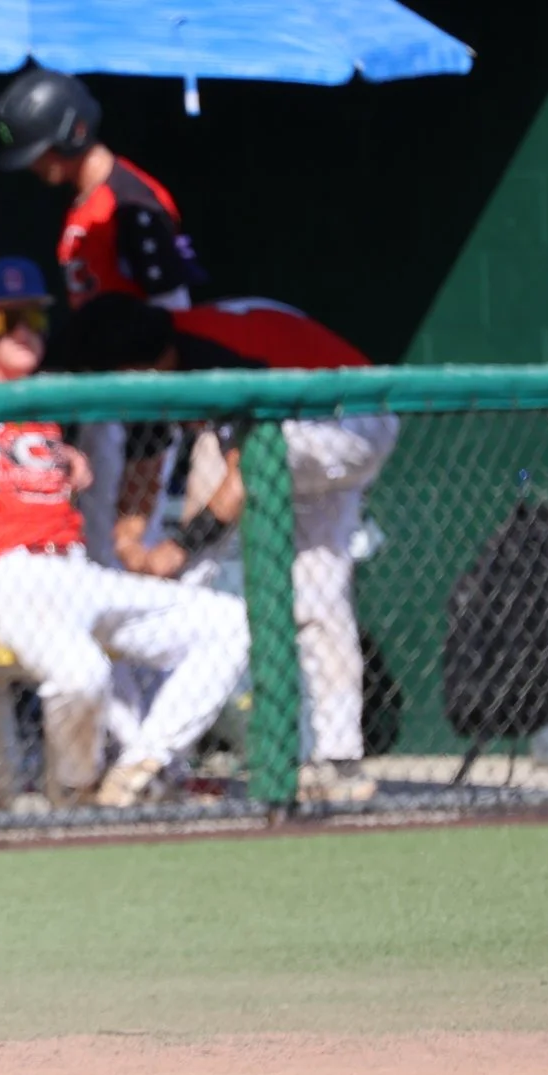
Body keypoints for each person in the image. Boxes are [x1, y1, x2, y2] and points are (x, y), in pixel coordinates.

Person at [0, 258, 247, 808]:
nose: (22, 331)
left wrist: (64, 456)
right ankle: (77, 789)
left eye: (34, 319)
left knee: (227, 622)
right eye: (4, 320)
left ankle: (140, 768)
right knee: (82, 675)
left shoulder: (46, 401)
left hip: (74, 571)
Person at [59, 294, 396, 804]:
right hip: (307, 431)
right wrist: (130, 538)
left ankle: (156, 753)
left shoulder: (210, 351)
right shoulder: (166, 360)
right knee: (319, 594)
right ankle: (337, 759)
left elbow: (246, 468)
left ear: (142, 365)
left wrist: (178, 547)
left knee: (216, 478)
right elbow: (147, 460)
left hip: (349, 422)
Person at [0, 65, 205, 567]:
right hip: (101, 395)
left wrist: (153, 415)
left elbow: (173, 312)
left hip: (139, 398)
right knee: (92, 536)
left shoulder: (131, 202)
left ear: (71, 133)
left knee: (123, 542)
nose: (35, 165)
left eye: (40, 148)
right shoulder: (85, 203)